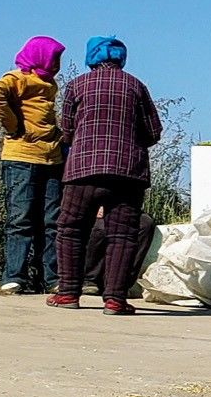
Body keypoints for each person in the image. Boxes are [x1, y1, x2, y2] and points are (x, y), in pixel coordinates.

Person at [49, 36, 161, 316]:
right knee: (122, 235)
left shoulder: (76, 85)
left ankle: (68, 294)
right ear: (121, 58)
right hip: (128, 173)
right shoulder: (136, 86)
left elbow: (67, 129)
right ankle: (115, 300)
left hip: (82, 170)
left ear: (92, 58)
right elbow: (153, 131)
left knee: (70, 229)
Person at [0, 36, 65, 293]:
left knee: (52, 221)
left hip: (52, 158)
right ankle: (14, 276)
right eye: (54, 58)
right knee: (21, 219)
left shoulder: (49, 84)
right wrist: (13, 124)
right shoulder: (17, 78)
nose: (56, 64)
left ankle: (50, 279)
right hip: (21, 158)